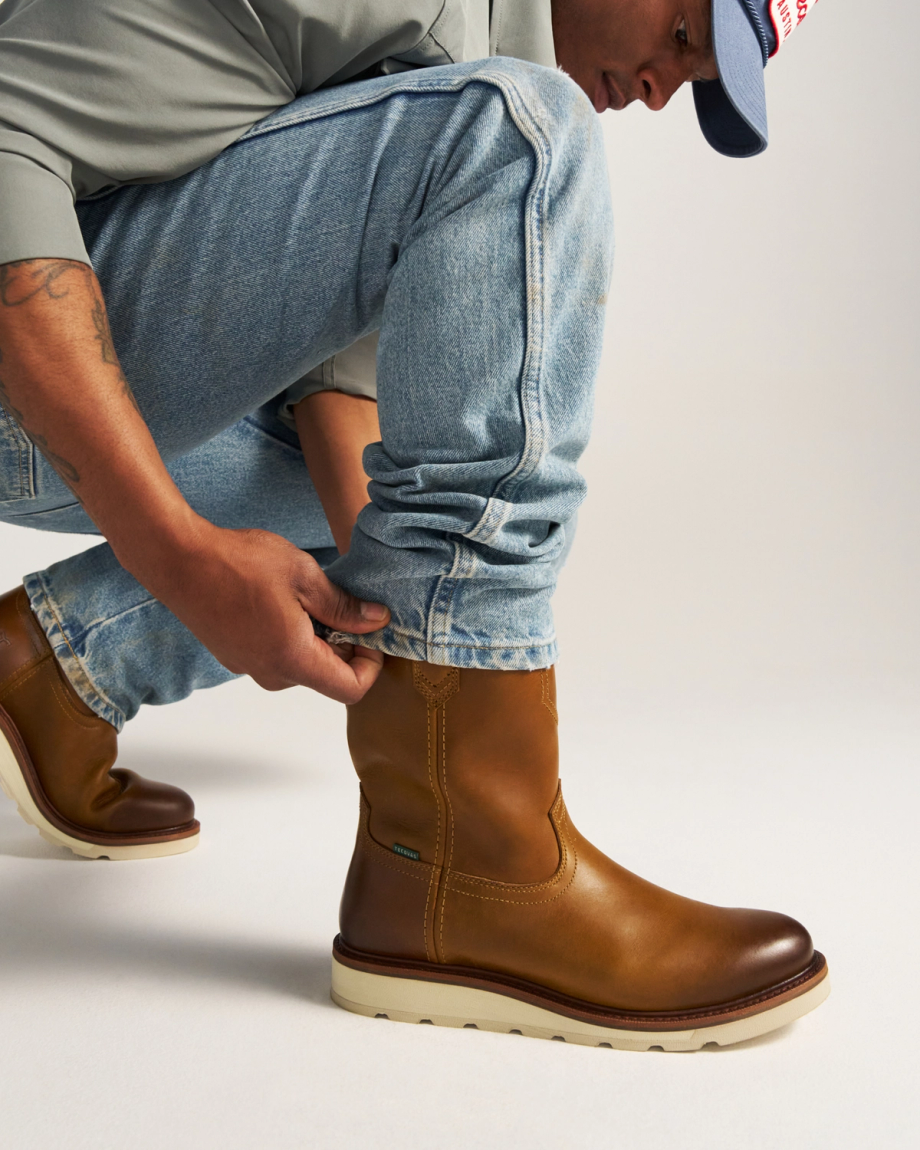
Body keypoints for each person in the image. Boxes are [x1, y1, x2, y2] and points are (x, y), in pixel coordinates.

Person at [0, 0, 829, 1048]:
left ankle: (57, 670)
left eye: (695, 77)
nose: (664, 90)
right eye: (680, 34)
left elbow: (344, 408)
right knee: (518, 130)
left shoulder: (457, 58)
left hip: (49, 397)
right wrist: (176, 556)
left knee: (408, 500)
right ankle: (472, 866)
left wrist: (428, 653)